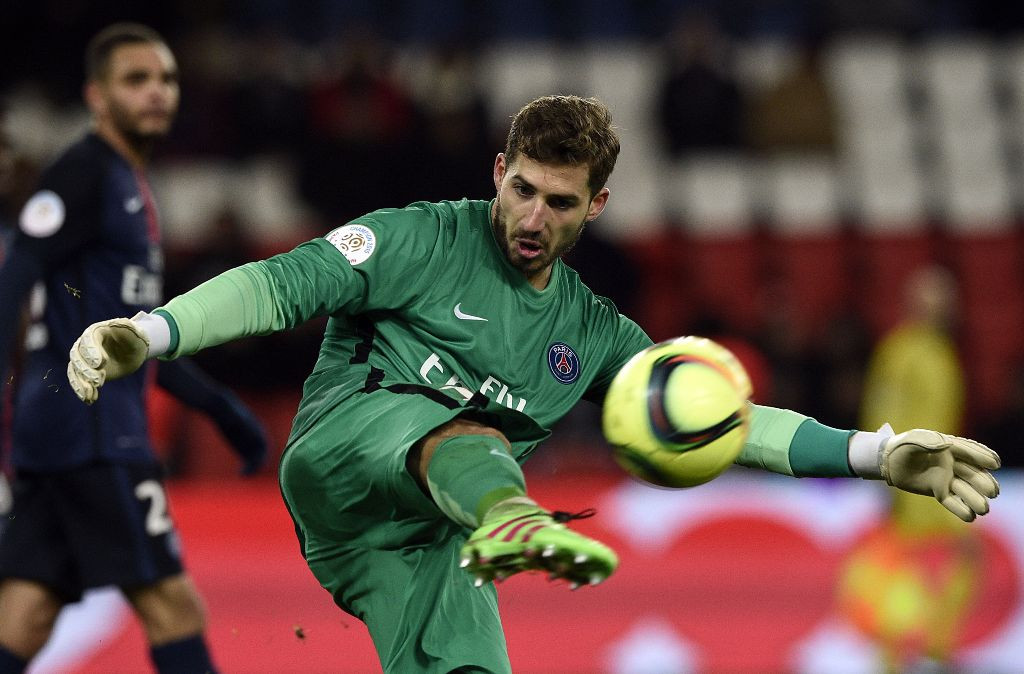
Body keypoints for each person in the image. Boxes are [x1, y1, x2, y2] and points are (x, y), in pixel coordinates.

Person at [66, 94, 1001, 674]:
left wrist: (878, 454)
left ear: (595, 205)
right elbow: (277, 286)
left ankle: (497, 519)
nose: (531, 216)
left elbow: (724, 424)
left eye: (559, 203)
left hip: (425, 542)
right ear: (498, 172)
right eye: (522, 189)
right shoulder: (418, 237)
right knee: (467, 432)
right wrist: (149, 332)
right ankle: (508, 517)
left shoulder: (592, 333)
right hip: (346, 460)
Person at [0, 23, 268, 674]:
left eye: (167, 79)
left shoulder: (126, 181)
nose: (157, 93)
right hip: (92, 432)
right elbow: (17, 273)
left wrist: (217, 404)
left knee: (27, 615)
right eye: (136, 80)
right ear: (97, 96)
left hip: (64, 432)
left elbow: (127, 330)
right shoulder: (86, 173)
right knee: (172, 607)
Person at [841, 264, 981, 672]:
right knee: (930, 563)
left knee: (925, 567)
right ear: (915, 301)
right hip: (915, 477)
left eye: (948, 295)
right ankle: (917, 653)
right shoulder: (902, 350)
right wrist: (884, 469)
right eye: (936, 294)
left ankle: (917, 652)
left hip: (938, 472)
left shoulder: (937, 348)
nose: (945, 303)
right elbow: (884, 411)